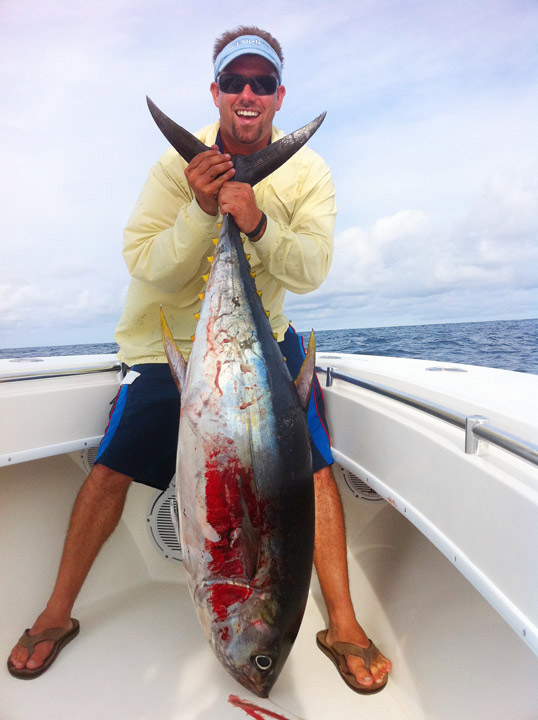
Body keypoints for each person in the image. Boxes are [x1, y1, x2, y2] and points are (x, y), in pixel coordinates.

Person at [8, 26, 391, 693]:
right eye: (235, 82)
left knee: (316, 471)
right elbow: (145, 263)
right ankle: (54, 613)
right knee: (110, 472)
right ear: (215, 92)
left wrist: (258, 223)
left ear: (277, 95)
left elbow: (312, 269)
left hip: (264, 339)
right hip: (173, 345)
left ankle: (345, 625)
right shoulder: (171, 168)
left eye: (262, 83)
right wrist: (199, 207)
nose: (248, 94)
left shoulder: (307, 172)